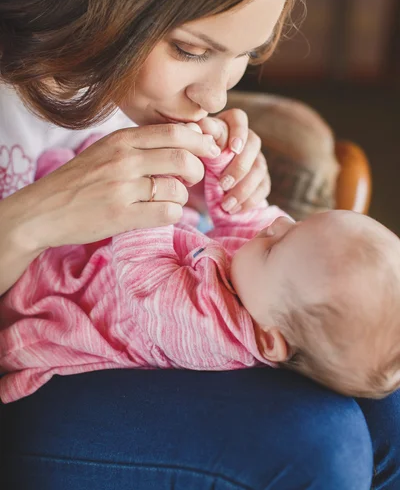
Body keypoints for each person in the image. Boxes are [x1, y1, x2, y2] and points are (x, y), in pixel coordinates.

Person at [0, 0, 399, 488]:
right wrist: (34, 219)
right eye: (191, 50)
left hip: (135, 328)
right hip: (44, 356)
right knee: (324, 447)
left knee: (386, 397)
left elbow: (193, 237)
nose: (214, 98)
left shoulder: (122, 73)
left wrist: (234, 189)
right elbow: (134, 261)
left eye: (243, 57)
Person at [2, 142, 400, 404]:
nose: (277, 226)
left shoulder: (210, 332)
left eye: (278, 243)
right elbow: (249, 217)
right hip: (111, 258)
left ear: (267, 338)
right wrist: (225, 162)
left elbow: (145, 277)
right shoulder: (272, 285)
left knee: (39, 274)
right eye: (298, 223)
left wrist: (159, 184)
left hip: (70, 302)